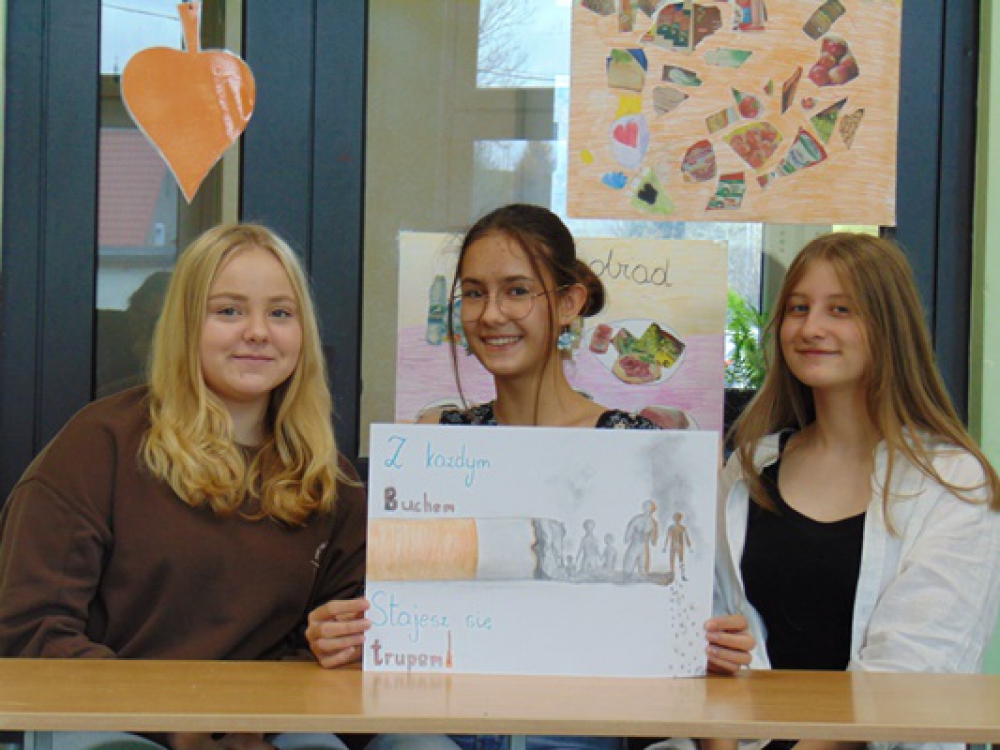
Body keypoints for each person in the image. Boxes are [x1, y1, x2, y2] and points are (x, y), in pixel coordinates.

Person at [306, 204, 754, 750]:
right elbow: (402, 616)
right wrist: (347, 635)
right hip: (442, 728)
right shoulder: (435, 440)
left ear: (569, 303)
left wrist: (710, 651)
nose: (491, 314)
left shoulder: (639, 450)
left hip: (581, 734)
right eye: (474, 293)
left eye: (516, 291)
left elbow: (682, 639)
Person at [0, 224, 367, 750]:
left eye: (280, 313)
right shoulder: (97, 447)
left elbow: (338, 651)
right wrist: (174, 723)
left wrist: (330, 653)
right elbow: (31, 632)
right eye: (229, 311)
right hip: (115, 723)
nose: (258, 332)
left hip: (267, 727)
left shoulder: (330, 480)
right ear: (185, 324)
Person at [712, 233, 1000, 750]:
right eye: (798, 308)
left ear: (890, 328)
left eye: (840, 309)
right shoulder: (749, 467)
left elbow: (910, 671)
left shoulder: (955, 482)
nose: (811, 328)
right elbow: (713, 643)